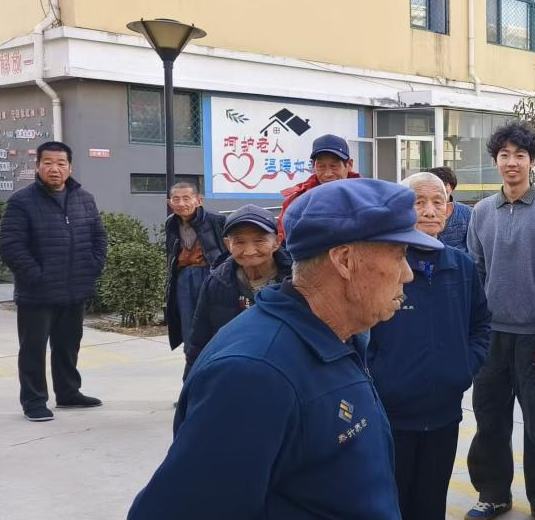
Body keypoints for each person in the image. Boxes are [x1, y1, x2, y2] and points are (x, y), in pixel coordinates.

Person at [129, 178, 442, 519]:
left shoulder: (338, 336)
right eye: (399, 255)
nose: (407, 274)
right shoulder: (254, 374)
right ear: (344, 260)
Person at [369, 172, 491, 519]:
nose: (429, 210)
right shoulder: (382, 265)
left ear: (449, 211)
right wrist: (380, 377)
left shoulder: (462, 265)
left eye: (438, 202)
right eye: (418, 202)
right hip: (391, 416)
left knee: (431, 501)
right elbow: (360, 333)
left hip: (444, 413)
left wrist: (463, 367)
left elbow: (481, 326)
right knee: (390, 503)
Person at [466, 122, 535, 520]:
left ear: (532, 162)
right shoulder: (481, 212)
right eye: (504, 155)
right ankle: (493, 494)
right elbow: (475, 272)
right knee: (489, 419)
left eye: (520, 155)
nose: (512, 162)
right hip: (490, 336)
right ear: (496, 161)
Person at [0, 141, 107, 422]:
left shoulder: (84, 198)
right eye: (47, 163)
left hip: (75, 288)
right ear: (37, 167)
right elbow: (11, 246)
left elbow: (98, 237)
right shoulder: (22, 201)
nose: (54, 169)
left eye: (60, 163)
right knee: (33, 349)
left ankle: (68, 393)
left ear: (70, 167)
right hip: (38, 292)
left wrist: (93, 266)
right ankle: (34, 401)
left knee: (68, 345)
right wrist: (36, 276)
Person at [185, 205, 292, 371]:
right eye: (240, 242)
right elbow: (199, 343)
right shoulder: (216, 283)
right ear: (228, 245)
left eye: (259, 241)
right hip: (232, 372)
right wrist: (192, 383)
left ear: (277, 242)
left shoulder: (296, 281)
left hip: (284, 372)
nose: (249, 251)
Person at [163, 182, 227, 379]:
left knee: (215, 324)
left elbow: (228, 250)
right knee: (189, 328)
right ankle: (192, 375)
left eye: (186, 198)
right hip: (183, 278)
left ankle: (217, 372)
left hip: (210, 274)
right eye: (176, 199)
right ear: (170, 203)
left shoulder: (216, 220)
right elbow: (171, 253)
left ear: (199, 200)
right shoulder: (171, 223)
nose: (181, 203)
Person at [277, 134, 360, 236]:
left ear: (349, 165)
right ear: (313, 166)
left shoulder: (365, 197)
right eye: (321, 166)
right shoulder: (296, 201)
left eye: (334, 166)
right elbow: (284, 238)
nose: (328, 174)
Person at [428, 166, 472, 250]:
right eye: (433, 184)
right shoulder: (420, 212)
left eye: (443, 184)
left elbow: (474, 246)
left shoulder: (466, 213)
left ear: (451, 187)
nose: (438, 188)